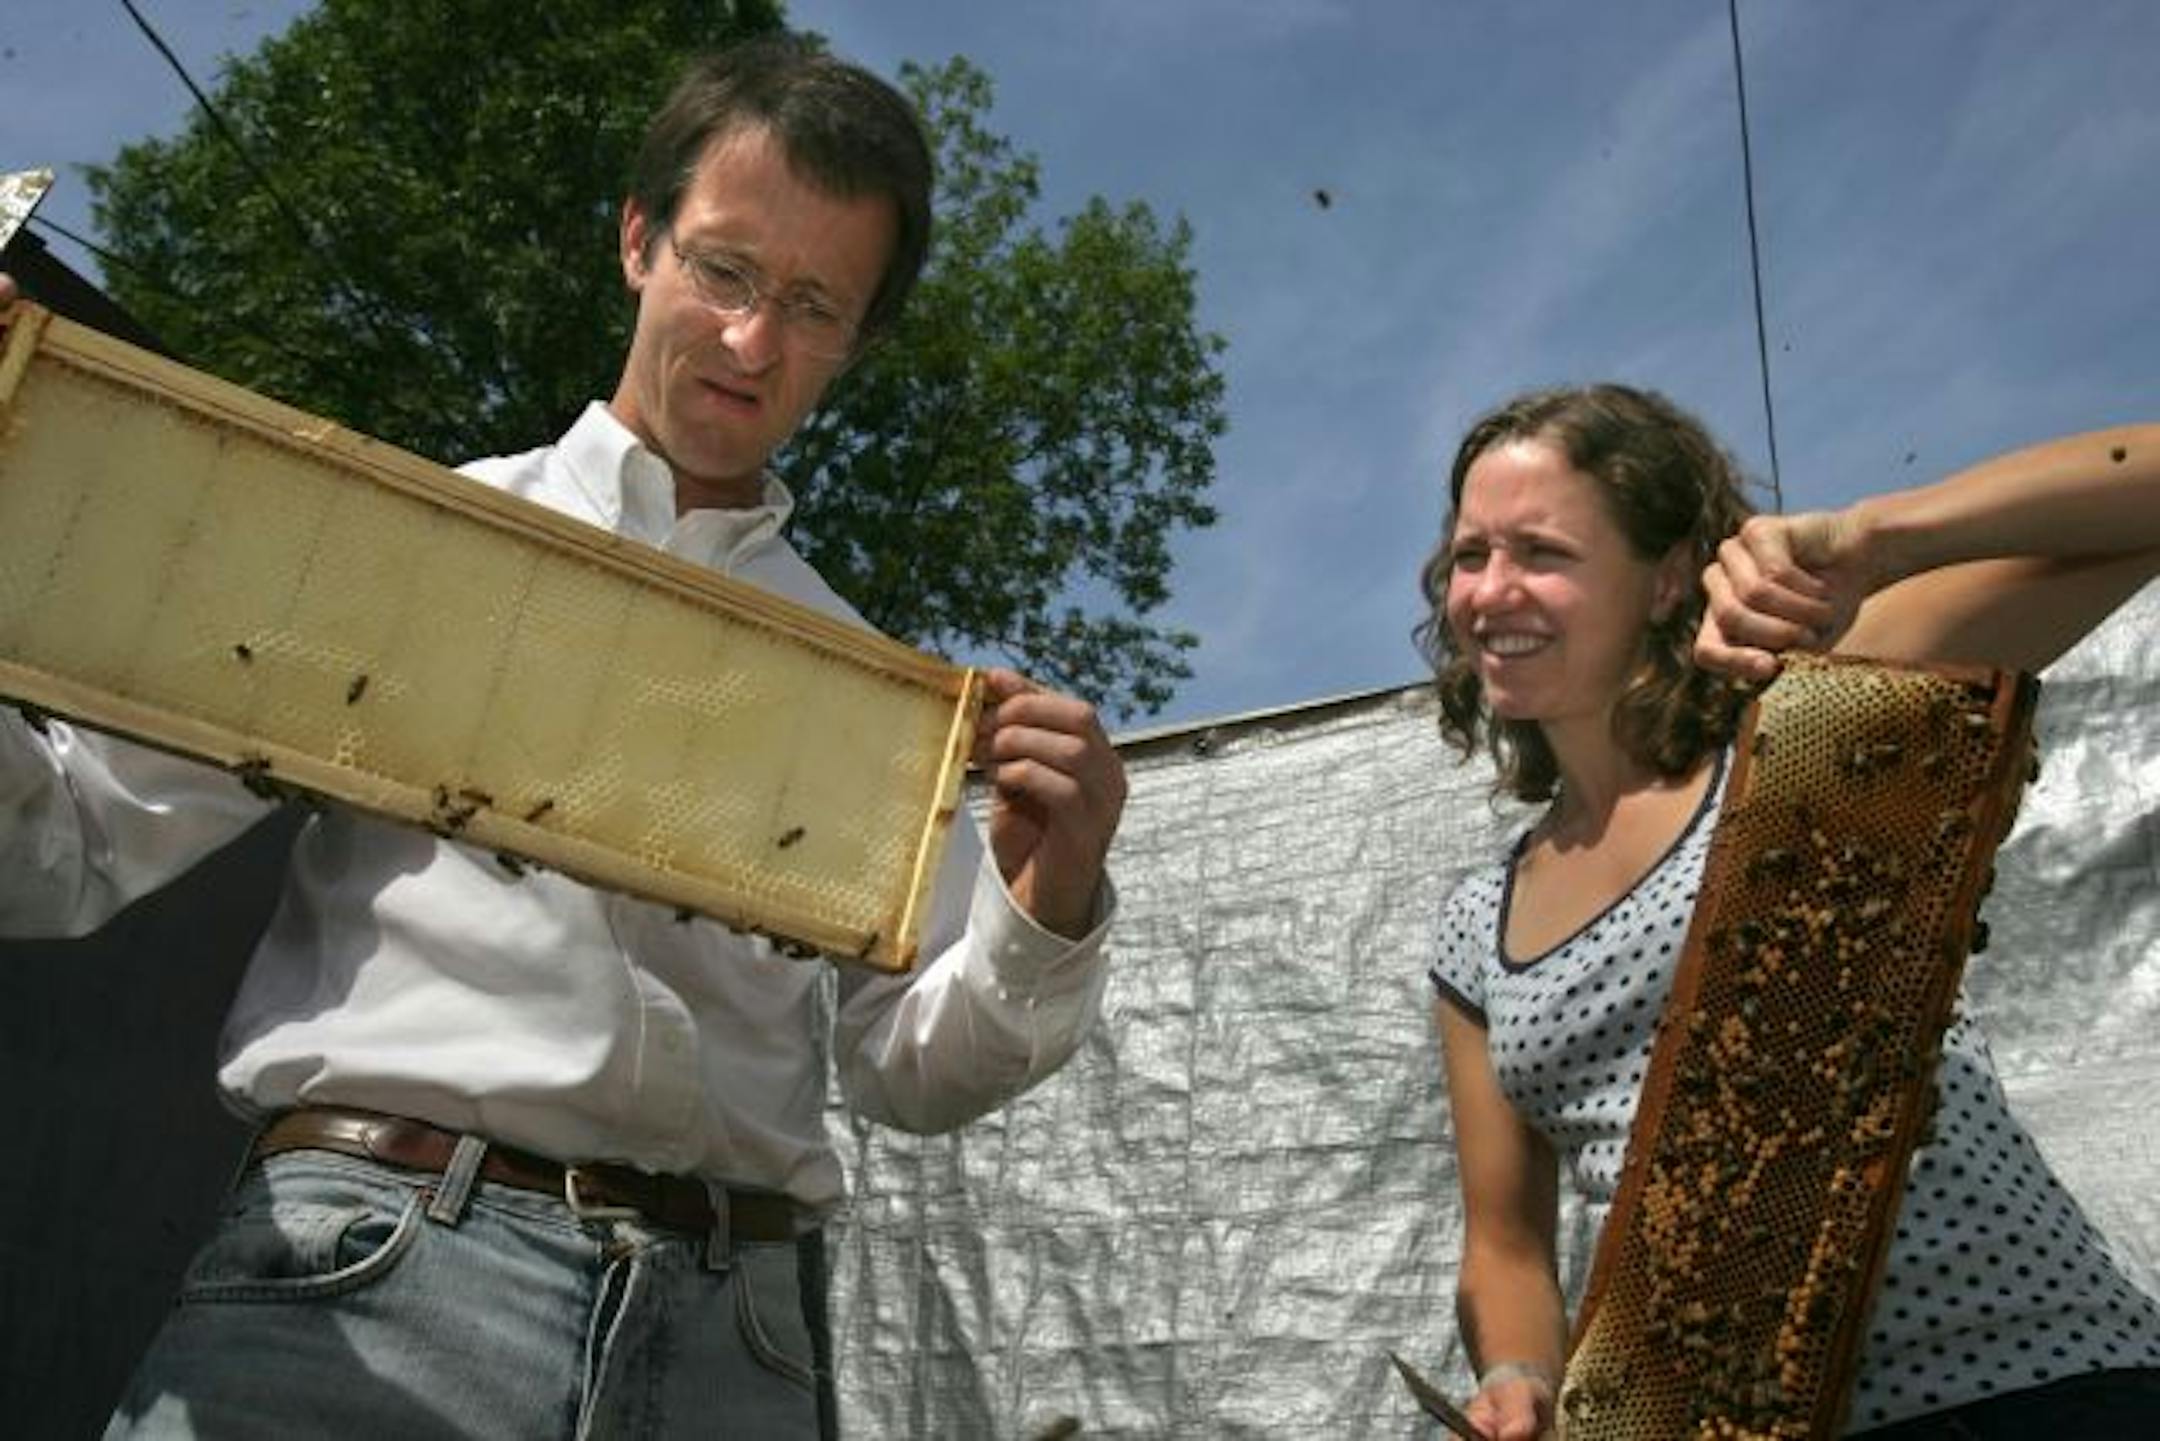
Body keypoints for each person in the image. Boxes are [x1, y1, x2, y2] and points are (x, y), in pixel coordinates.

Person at [0, 35, 1125, 1441]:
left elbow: (911, 1068)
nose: (751, 341)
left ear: (860, 338)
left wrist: (1049, 900)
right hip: (366, 1287)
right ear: (638, 240)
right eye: (723, 270)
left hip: (741, 1343)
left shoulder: (879, 701)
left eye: (814, 303)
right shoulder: (389, 544)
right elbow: (52, 852)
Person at [1417, 382, 2160, 1439]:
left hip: (2033, 1382)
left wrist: (1875, 535)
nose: (1491, 591)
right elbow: (1503, 1243)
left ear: (1670, 575)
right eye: (1470, 555)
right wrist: (1518, 1372)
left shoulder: (1819, 710)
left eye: (1541, 552)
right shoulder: (1473, 922)